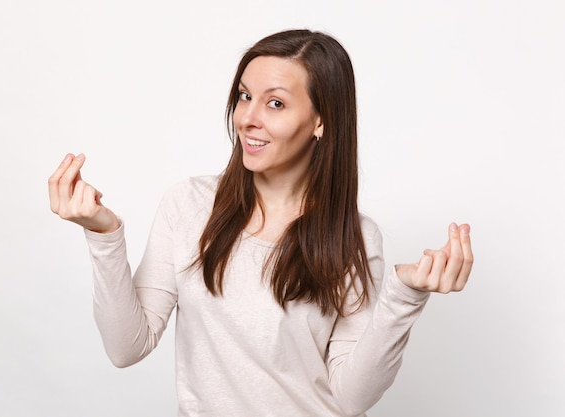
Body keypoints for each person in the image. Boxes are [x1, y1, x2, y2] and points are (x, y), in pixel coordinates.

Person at [48, 29, 473, 417]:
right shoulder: (190, 206)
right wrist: (103, 233)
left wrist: (405, 296)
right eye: (244, 96)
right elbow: (127, 347)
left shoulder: (354, 237)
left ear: (321, 121)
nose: (248, 117)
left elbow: (350, 399)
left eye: (275, 103)